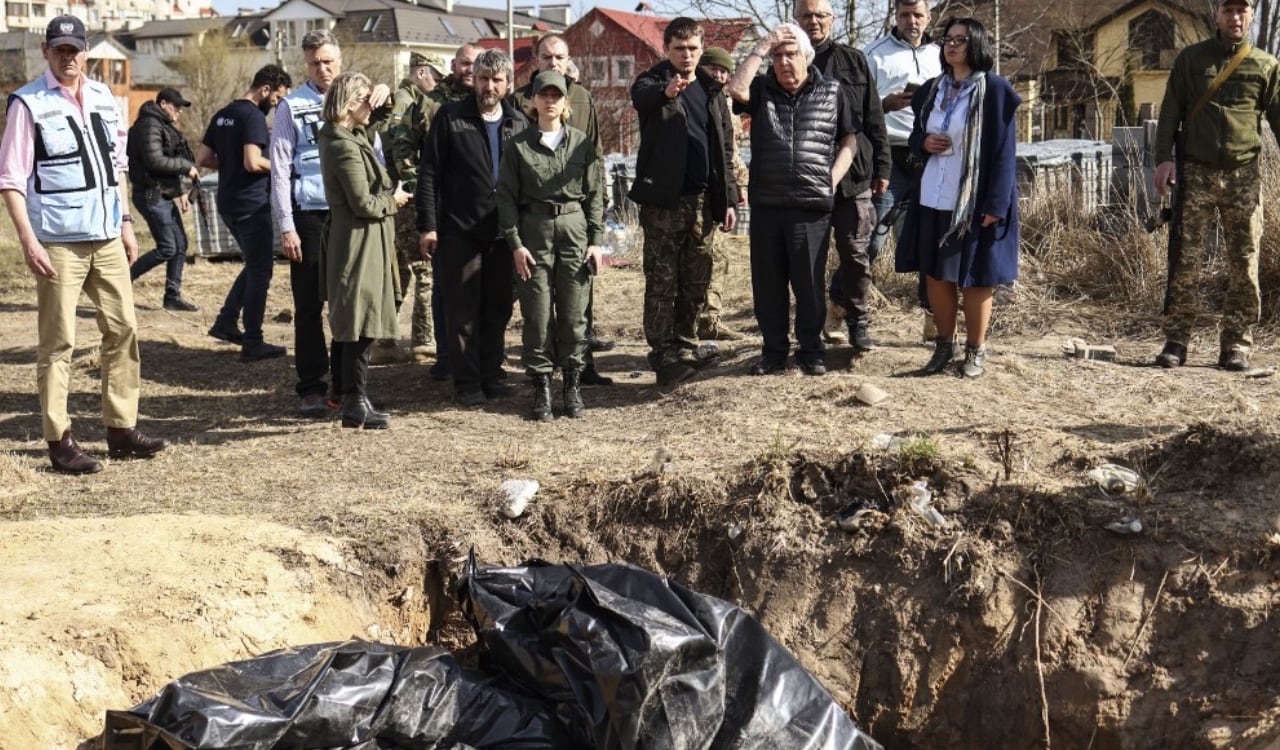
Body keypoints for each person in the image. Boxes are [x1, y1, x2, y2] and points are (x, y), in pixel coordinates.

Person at [0, 14, 170, 474]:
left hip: (107, 236)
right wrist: (27, 240)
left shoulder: (103, 97)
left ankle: (120, 428)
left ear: (87, 51)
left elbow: (116, 167)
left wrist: (128, 222)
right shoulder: (27, 104)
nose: (68, 57)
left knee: (124, 329)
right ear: (45, 51)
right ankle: (59, 440)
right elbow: (11, 180)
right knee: (59, 343)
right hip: (56, 242)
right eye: (60, 50)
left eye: (75, 50)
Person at [1153, 0, 1280, 371]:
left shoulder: (1266, 65)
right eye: (1228, 10)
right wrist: (1163, 159)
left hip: (1243, 175)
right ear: (1216, 15)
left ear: (1252, 15)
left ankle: (1236, 345)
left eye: (1242, 11)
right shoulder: (1191, 60)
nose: (1235, 17)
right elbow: (1170, 111)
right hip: (1196, 173)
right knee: (1186, 259)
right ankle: (1176, 340)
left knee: (1244, 262)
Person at [272, 30, 392, 416]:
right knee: (309, 305)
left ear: (339, 60)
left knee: (349, 303)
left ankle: (346, 387)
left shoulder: (359, 101)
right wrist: (286, 225)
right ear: (304, 64)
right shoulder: (292, 106)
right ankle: (311, 385)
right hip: (310, 214)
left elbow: (374, 152)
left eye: (328, 61)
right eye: (314, 62)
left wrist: (385, 90)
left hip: (351, 215)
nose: (322, 68)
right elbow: (278, 168)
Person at [727, 24, 858, 377]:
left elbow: (849, 140)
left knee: (809, 286)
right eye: (777, 55)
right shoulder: (761, 90)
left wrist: (831, 179)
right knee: (768, 285)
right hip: (768, 204)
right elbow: (735, 89)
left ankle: (811, 351)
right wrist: (761, 46)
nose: (783, 62)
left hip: (811, 207)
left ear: (806, 56)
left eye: (791, 54)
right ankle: (773, 352)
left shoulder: (832, 91)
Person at [897, 17, 1020, 379]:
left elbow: (1004, 152)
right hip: (934, 194)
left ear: (976, 44)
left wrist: (996, 205)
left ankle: (975, 352)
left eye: (961, 40)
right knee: (936, 274)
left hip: (974, 201)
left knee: (977, 277)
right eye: (948, 40)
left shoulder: (995, 91)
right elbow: (916, 135)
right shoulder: (933, 89)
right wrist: (922, 142)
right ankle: (942, 349)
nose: (951, 46)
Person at [630, 17, 738, 388]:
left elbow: (723, 148)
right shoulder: (653, 81)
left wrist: (729, 199)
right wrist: (667, 93)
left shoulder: (711, 88)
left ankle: (687, 345)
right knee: (662, 279)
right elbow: (641, 98)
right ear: (667, 49)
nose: (687, 55)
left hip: (704, 201)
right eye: (679, 49)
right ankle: (662, 353)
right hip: (664, 202)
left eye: (693, 48)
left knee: (697, 279)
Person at [417, 49, 527, 406]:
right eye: (483, 79)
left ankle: (492, 374)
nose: (489, 86)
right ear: (474, 80)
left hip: (502, 233)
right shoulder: (450, 117)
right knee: (462, 309)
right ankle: (466, 383)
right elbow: (430, 173)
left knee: (497, 307)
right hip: (458, 231)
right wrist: (428, 225)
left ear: (507, 84)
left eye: (497, 80)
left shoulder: (518, 122)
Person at [499, 70, 605, 421]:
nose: (549, 101)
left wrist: (596, 241)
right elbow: (507, 199)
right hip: (534, 232)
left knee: (575, 313)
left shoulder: (580, 143)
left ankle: (571, 383)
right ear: (532, 101)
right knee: (538, 314)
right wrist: (515, 243)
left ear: (564, 102)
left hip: (574, 230)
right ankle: (542, 384)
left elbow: (595, 195)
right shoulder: (516, 146)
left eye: (556, 95)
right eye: (542, 95)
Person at [510, 34, 615, 385]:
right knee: (536, 302)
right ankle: (539, 372)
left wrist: (598, 210)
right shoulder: (518, 100)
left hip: (573, 215)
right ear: (535, 59)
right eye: (546, 56)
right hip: (533, 215)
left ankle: (581, 368)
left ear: (568, 58)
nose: (553, 62)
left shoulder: (582, 97)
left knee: (576, 298)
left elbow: (595, 155)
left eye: (559, 56)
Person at [794, 0, 890, 354]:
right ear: (795, 19)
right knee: (808, 261)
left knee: (856, 254)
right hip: (805, 177)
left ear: (831, 20)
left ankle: (858, 323)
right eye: (806, 15)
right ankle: (811, 330)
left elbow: (874, 116)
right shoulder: (787, 61)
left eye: (820, 15)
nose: (813, 21)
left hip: (854, 177)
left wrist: (883, 167)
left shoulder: (854, 60)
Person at [319, 72, 412, 429]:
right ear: (348, 103)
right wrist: (394, 200)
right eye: (364, 100)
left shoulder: (349, 134)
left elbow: (383, 120)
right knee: (360, 321)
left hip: (362, 238)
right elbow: (362, 203)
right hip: (358, 239)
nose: (369, 107)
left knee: (352, 320)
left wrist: (384, 95)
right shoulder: (343, 145)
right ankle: (354, 400)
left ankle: (347, 394)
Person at [197, 64, 293, 362]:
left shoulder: (224, 113)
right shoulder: (252, 116)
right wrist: (284, 167)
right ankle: (253, 340)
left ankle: (226, 321)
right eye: (276, 99)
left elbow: (202, 158)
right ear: (265, 89)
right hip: (252, 205)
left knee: (254, 265)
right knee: (261, 270)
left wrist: (230, 165)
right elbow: (253, 162)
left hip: (228, 201)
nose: (274, 106)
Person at [865, 0, 942, 341]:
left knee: (931, 243)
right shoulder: (874, 54)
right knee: (869, 241)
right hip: (888, 155)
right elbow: (855, 107)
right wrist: (883, 105)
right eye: (904, 15)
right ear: (895, 16)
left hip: (932, 158)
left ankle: (934, 319)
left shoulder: (942, 55)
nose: (911, 21)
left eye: (918, 15)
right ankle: (844, 311)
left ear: (929, 17)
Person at [418, 42, 480, 383]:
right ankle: (445, 356)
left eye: (476, 64)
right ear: (454, 65)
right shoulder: (432, 100)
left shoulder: (495, 99)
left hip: (477, 212)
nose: (470, 70)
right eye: (464, 63)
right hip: (443, 209)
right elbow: (418, 156)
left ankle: (476, 358)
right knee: (443, 288)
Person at [382, 51, 447, 366]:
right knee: (425, 270)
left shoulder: (398, 98)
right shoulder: (407, 102)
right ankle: (423, 340)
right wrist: (419, 187)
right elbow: (400, 151)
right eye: (435, 75)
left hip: (397, 198)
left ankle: (383, 339)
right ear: (421, 72)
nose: (437, 83)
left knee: (399, 273)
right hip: (407, 199)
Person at [127, 87, 201, 312]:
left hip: (162, 193)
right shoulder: (149, 125)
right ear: (162, 104)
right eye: (176, 106)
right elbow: (155, 161)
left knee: (180, 245)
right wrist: (186, 167)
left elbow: (164, 165)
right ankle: (120, 283)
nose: (179, 111)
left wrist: (179, 192)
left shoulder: (161, 125)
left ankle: (172, 296)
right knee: (168, 247)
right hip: (151, 195)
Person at [693, 46, 748, 343]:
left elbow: (733, 152)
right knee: (707, 258)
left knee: (720, 258)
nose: (719, 74)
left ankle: (711, 318)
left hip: (726, 189)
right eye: (714, 68)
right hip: (704, 191)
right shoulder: (698, 98)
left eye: (725, 70)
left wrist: (739, 185)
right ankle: (700, 321)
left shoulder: (725, 101)